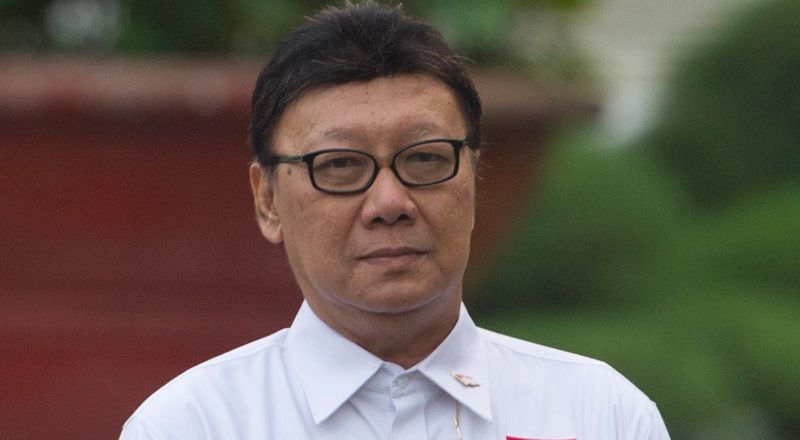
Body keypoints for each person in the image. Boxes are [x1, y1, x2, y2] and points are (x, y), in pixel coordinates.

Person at [120, 2, 671, 439]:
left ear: (474, 178)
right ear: (267, 200)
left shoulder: (599, 415)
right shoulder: (193, 425)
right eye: (340, 165)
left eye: (425, 158)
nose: (389, 202)